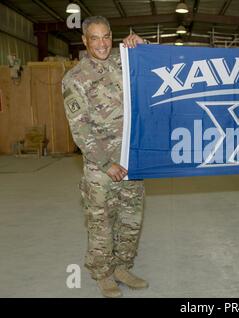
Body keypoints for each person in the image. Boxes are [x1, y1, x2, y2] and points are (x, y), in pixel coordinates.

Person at [62, 16, 148, 297]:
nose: (102, 44)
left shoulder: (122, 64)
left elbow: (152, 68)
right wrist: (105, 163)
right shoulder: (75, 78)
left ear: (112, 37)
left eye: (106, 37)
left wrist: (142, 45)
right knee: (101, 223)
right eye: (95, 38)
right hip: (102, 167)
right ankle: (103, 275)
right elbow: (80, 128)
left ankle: (123, 266)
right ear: (85, 41)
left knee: (130, 219)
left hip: (130, 160)